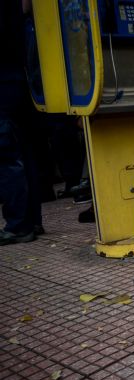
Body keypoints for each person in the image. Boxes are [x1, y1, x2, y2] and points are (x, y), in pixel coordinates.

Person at [0, 0, 44, 246]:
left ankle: (19, 224)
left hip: (4, 81)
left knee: (7, 156)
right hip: (18, 78)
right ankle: (32, 220)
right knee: (25, 152)